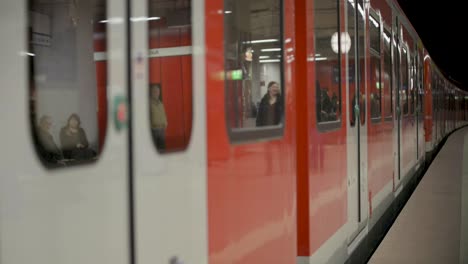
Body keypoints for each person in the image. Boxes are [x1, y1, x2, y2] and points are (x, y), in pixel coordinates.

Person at [150, 84, 167, 150]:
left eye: (158, 91)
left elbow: (163, 114)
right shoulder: (149, 104)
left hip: (162, 130)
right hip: (154, 130)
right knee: (154, 150)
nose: (157, 93)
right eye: (155, 91)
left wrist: (165, 123)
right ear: (151, 92)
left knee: (162, 150)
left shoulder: (161, 104)